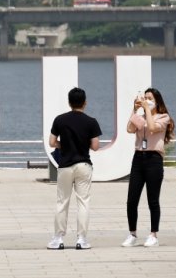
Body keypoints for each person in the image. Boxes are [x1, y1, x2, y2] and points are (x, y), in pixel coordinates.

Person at [47, 87, 102, 250]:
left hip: (65, 166)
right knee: (83, 202)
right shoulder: (91, 121)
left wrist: (62, 145)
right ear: (85, 103)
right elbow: (96, 146)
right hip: (83, 165)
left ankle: (58, 238)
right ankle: (81, 239)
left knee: (62, 202)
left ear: (69, 102)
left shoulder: (60, 120)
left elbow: (51, 142)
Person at [121, 87, 175, 248]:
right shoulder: (141, 115)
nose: (146, 100)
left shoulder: (164, 117)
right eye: (144, 97)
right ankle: (132, 234)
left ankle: (153, 235)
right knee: (131, 200)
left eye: (149, 98)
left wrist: (147, 110)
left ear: (157, 101)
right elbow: (129, 129)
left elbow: (152, 128)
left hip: (154, 159)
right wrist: (135, 109)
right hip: (138, 158)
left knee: (153, 200)